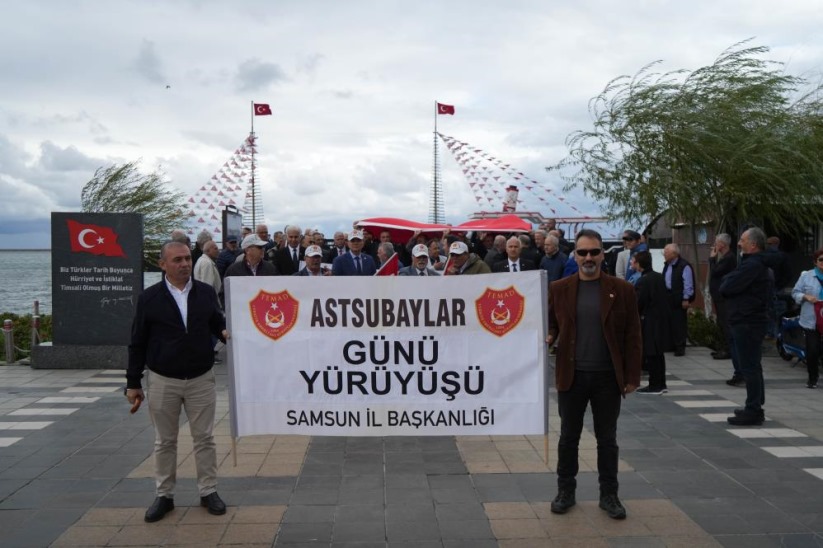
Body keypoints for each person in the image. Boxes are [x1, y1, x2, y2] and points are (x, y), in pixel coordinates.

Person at [126, 241, 229, 523]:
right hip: (162, 379)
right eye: (177, 260)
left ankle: (208, 491)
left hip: (200, 378)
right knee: (164, 441)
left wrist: (225, 332)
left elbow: (215, 323)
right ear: (163, 265)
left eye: (187, 259)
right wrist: (132, 382)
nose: (184, 264)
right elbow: (137, 342)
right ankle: (164, 495)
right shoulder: (149, 298)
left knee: (205, 439)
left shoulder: (206, 292)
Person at [547, 229, 641, 520]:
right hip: (571, 376)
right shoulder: (559, 288)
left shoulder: (622, 289)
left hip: (607, 378)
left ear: (603, 254)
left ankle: (609, 495)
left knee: (607, 439)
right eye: (583, 252)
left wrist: (632, 376)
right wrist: (549, 335)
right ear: (574, 255)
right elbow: (551, 325)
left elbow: (633, 336)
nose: (589, 257)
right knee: (568, 438)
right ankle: (565, 492)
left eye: (594, 252)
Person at [721, 227, 775, 426]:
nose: (739, 243)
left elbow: (726, 286)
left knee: (749, 367)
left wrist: (728, 282)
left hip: (747, 321)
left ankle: (753, 409)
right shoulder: (753, 264)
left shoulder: (752, 265)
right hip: (750, 320)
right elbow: (729, 282)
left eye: (742, 240)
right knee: (753, 365)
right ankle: (754, 405)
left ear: (753, 245)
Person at [632, 251, 671, 394]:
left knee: (651, 353)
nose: (631, 263)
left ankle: (655, 385)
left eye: (633, 261)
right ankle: (661, 383)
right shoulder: (658, 277)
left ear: (639, 264)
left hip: (649, 320)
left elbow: (638, 302)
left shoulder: (643, 280)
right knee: (658, 353)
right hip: (660, 319)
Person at [790, 248, 823, 389]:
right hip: (811, 320)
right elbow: (795, 292)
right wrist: (805, 297)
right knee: (813, 350)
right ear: (815, 261)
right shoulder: (807, 276)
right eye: (821, 260)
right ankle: (813, 377)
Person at [709, 234, 737, 368]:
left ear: (723, 244)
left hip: (723, 296)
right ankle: (723, 347)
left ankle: (728, 349)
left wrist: (712, 259)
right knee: (721, 321)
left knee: (725, 322)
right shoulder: (725, 258)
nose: (715, 245)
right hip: (718, 295)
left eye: (717, 242)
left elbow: (715, 272)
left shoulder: (729, 258)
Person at [662, 243, 695, 356]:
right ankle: (671, 344)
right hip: (668, 296)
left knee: (679, 323)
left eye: (666, 252)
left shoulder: (684, 266)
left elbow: (688, 283)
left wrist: (686, 298)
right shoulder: (667, 264)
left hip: (679, 297)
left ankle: (680, 347)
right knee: (669, 322)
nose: (664, 254)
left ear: (674, 254)